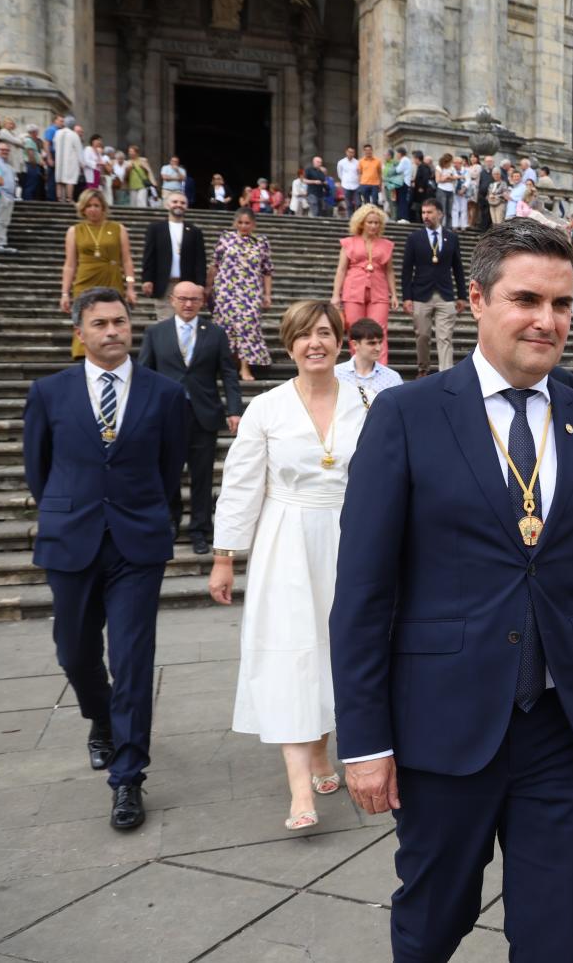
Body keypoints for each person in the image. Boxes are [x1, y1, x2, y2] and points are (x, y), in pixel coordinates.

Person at [330, 220, 573, 960]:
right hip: (443, 725)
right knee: (436, 915)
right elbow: (364, 591)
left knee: (556, 929)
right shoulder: (408, 415)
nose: (548, 320)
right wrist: (366, 739)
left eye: (563, 304)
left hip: (562, 729)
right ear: (475, 299)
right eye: (527, 298)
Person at [23, 286, 189, 830]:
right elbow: (38, 470)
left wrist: (147, 515)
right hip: (71, 537)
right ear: (81, 332)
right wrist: (71, 509)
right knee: (73, 650)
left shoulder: (164, 394)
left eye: (120, 321)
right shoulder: (48, 392)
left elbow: (170, 472)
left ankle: (127, 777)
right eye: (100, 323)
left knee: (133, 658)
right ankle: (101, 715)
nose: (113, 331)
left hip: (137, 542)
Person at [209, 301, 367, 830]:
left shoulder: (368, 401)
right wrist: (224, 556)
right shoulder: (267, 408)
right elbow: (241, 483)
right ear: (289, 343)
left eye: (324, 333)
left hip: (352, 537)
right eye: (303, 335)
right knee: (292, 650)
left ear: (340, 340)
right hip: (287, 538)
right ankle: (301, 788)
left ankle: (322, 751)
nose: (314, 343)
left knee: (338, 648)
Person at [138, 281, 243, 555]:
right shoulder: (155, 333)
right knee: (168, 473)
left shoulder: (216, 333)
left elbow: (229, 374)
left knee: (203, 476)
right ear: (172, 300)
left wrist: (234, 409)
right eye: (183, 298)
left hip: (203, 415)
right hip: (165, 415)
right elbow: (143, 374)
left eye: (194, 299)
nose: (188, 304)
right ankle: (171, 522)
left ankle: (200, 529)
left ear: (202, 302)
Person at [61, 190, 136, 358]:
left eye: (96, 205)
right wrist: (65, 293)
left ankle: (115, 350)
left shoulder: (118, 229)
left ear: (103, 207)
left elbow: (127, 260)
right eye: (88, 206)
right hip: (85, 280)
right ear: (82, 208)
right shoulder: (75, 231)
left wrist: (130, 286)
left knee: (113, 314)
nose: (92, 209)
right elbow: (70, 264)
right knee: (86, 316)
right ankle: (83, 354)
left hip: (112, 278)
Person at [401, 198, 465, 376]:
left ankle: (447, 375)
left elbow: (458, 268)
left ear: (440, 214)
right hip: (420, 293)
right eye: (423, 213)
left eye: (429, 212)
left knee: (445, 337)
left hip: (445, 294)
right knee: (422, 335)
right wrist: (406, 297)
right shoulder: (414, 238)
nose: (425, 216)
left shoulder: (451, 237)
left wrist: (462, 295)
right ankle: (423, 369)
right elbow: (406, 269)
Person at [209, 208, 273, 381]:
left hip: (251, 290)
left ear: (253, 224)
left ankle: (245, 368)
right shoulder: (226, 239)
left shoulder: (261, 242)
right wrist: (208, 288)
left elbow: (267, 271)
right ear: (235, 223)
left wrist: (268, 295)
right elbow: (215, 264)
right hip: (226, 290)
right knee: (226, 327)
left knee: (248, 327)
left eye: (247, 223)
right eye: (240, 223)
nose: (244, 226)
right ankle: (228, 367)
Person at [332, 204, 396, 366]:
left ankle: (381, 368)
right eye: (370, 222)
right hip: (353, 288)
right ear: (361, 223)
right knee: (355, 330)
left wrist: (394, 294)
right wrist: (335, 295)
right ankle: (359, 367)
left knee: (380, 330)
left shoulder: (386, 244)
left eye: (376, 222)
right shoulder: (349, 243)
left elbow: (389, 271)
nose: (373, 226)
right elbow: (341, 270)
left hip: (379, 290)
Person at [140, 191, 207, 320]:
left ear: (187, 206)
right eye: (175, 202)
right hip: (164, 284)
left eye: (182, 203)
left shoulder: (194, 231)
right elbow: (149, 256)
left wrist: (200, 283)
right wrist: (147, 279)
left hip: (187, 284)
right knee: (165, 322)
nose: (179, 205)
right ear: (167, 205)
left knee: (186, 322)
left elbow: (200, 260)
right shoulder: (156, 229)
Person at [335, 317, 405, 398]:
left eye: (380, 342)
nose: (378, 348)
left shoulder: (392, 378)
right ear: (355, 344)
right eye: (372, 343)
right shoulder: (336, 374)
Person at [0, 141, 19, 255]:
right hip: (1, 194)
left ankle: (1, 242)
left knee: (5, 221)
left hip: (9, 195)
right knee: (0, 220)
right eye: (2, 150)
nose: (4, 152)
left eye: (6, 150)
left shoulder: (8, 165)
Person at [53, 117, 82, 202]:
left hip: (59, 160)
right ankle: (69, 198)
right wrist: (82, 163)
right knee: (70, 179)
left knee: (59, 179)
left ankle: (59, 198)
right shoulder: (74, 135)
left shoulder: (57, 133)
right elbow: (79, 150)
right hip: (71, 160)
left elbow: (54, 147)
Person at [336, 146, 361, 213]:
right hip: (346, 185)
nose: (351, 154)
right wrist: (344, 180)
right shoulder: (341, 162)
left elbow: (359, 173)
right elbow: (339, 174)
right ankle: (350, 218)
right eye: (349, 152)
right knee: (349, 204)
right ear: (346, 152)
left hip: (356, 185)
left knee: (358, 203)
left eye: (352, 152)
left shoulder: (357, 162)